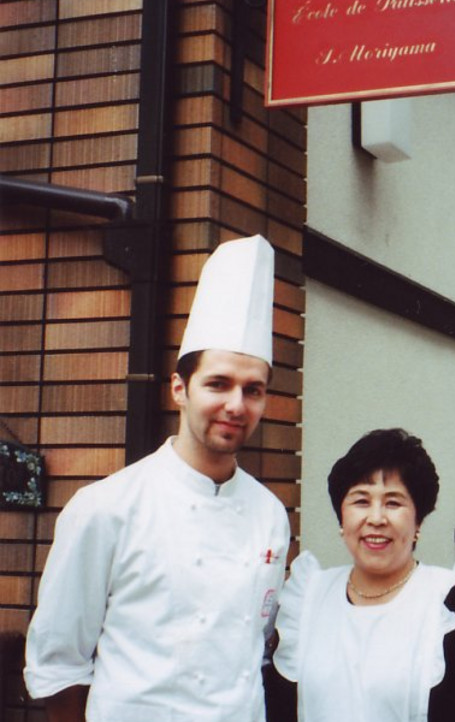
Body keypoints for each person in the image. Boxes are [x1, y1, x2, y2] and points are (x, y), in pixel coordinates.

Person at [24, 236, 290, 722]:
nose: (236, 405)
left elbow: (256, 649)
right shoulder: (106, 507)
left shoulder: (270, 515)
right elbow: (58, 665)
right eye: (218, 383)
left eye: (253, 390)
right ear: (179, 389)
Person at [265, 428, 455, 722]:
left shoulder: (453, 604)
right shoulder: (307, 599)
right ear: (342, 517)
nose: (376, 518)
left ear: (418, 519)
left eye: (393, 502)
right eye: (361, 501)